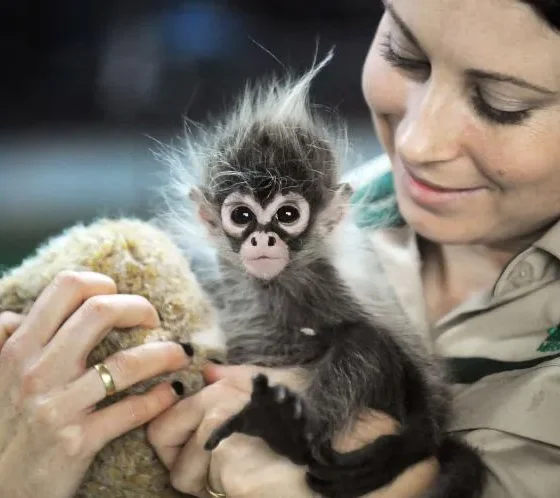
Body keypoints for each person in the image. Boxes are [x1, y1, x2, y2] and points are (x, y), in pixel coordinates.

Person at [1, 0, 560, 496]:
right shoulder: (342, 203)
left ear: (326, 214)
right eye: (404, 52)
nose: (416, 143)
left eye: (501, 102)